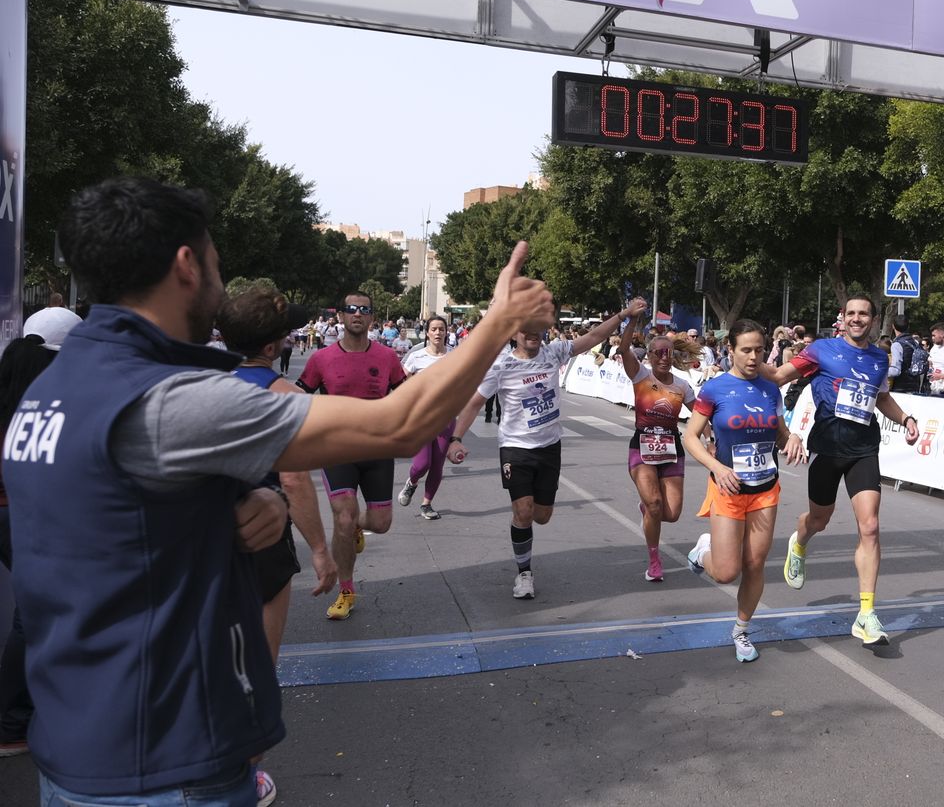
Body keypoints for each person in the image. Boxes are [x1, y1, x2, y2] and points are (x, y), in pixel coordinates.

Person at [4, 176, 552, 807]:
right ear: (187, 264)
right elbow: (399, 427)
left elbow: (107, 525)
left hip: (76, 753)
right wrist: (498, 321)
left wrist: (237, 499)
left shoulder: (53, 386)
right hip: (166, 763)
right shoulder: (167, 401)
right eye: (214, 255)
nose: (218, 272)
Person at [215, 287, 337, 806]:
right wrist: (320, 550)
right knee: (260, 663)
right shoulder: (284, 395)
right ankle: (247, 774)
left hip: (207, 529)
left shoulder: (203, 382)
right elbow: (295, 480)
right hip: (263, 535)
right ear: (273, 344)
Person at [446, 304, 636, 599]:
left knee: (542, 515)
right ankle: (524, 573)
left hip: (549, 447)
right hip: (515, 448)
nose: (532, 334)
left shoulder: (555, 351)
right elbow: (472, 404)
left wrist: (622, 316)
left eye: (537, 328)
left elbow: (595, 336)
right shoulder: (501, 367)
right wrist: (456, 438)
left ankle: (522, 526)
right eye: (526, 329)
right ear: (515, 333)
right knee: (523, 511)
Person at [761, 293, 919, 645]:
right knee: (820, 519)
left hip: (864, 449)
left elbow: (880, 398)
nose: (857, 319)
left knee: (871, 526)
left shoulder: (880, 356)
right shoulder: (821, 350)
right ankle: (799, 543)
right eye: (851, 313)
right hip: (828, 449)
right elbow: (778, 376)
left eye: (864, 314)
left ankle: (866, 614)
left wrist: (906, 418)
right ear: (842, 318)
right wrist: (751, 360)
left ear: (874, 320)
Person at [682, 319, 805, 662]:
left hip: (765, 487)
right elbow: (690, 437)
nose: (753, 357)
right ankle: (702, 550)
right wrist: (716, 467)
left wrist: (792, 437)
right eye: (746, 350)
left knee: (755, 563)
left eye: (759, 350)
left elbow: (780, 433)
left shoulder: (770, 389)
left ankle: (741, 630)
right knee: (725, 572)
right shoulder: (714, 389)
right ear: (730, 350)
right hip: (728, 486)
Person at [297, 291, 409, 621]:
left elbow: (406, 395)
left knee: (381, 523)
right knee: (343, 517)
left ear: (372, 318)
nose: (357, 314)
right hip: (337, 448)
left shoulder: (388, 357)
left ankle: (357, 528)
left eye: (364, 310)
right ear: (341, 317)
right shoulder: (322, 358)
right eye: (351, 310)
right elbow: (299, 397)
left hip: (377, 448)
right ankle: (347, 591)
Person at [0, 307, 80, 759]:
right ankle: (15, 721)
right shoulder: (48, 398)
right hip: (20, 514)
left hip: (14, 513)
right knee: (32, 618)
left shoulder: (15, 386)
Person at [619, 301, 700, 582]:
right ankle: (654, 559)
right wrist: (631, 320)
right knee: (655, 504)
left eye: (668, 353)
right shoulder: (641, 376)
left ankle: (648, 510)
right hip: (642, 446)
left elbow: (701, 415)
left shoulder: (682, 386)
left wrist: (714, 439)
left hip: (671, 449)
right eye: (658, 353)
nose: (663, 358)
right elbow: (623, 349)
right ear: (650, 356)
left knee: (672, 513)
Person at [398, 315, 455, 520]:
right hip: (421, 418)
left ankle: (426, 504)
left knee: (437, 465)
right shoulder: (416, 356)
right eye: (434, 329)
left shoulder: (455, 356)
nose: (438, 333)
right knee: (423, 464)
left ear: (446, 332)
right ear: (427, 332)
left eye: (441, 329)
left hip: (445, 418)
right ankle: (411, 482)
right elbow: (402, 382)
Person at [886, 314, 926, 393]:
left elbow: (895, 370)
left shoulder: (897, 345)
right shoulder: (915, 342)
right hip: (915, 387)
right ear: (908, 326)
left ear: (893, 326)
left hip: (900, 388)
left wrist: (879, 372)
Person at [927, 322, 944, 394]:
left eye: (934, 335)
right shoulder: (934, 348)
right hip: (933, 389)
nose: (932, 338)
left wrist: (943, 376)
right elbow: (930, 364)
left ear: (942, 334)